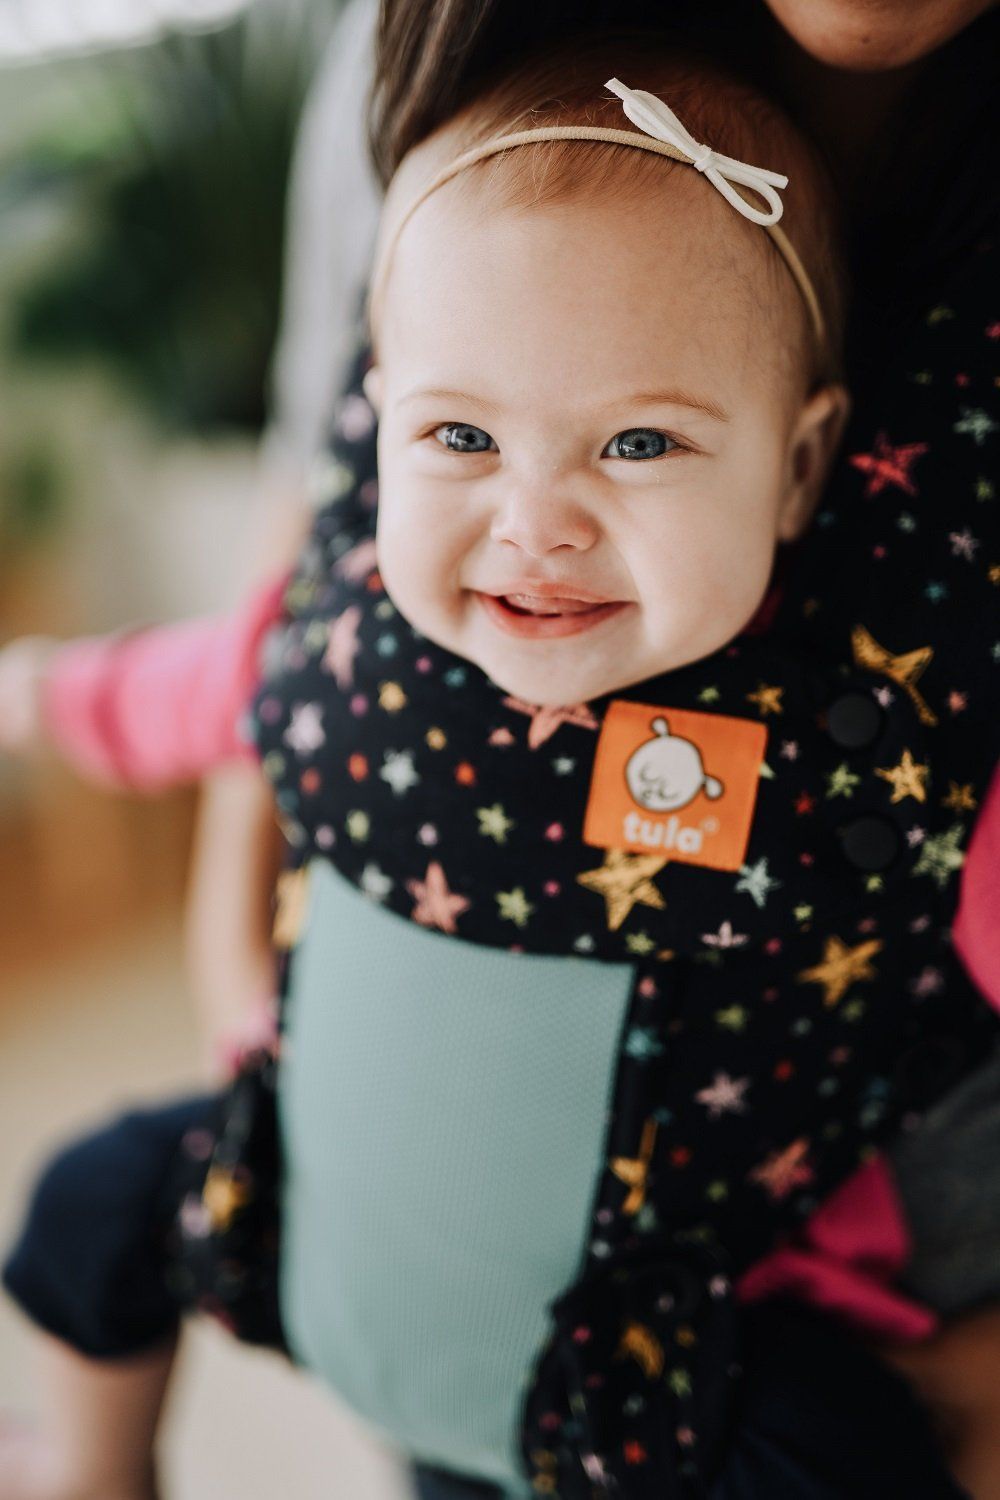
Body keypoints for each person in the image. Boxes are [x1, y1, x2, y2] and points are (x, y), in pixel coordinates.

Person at [0, 27, 997, 1500]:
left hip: (666, 1342)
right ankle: (92, 1469)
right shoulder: (345, 635)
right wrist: (37, 699)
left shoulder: (877, 759)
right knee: (86, 1204)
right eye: (461, 435)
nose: (537, 524)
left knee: (846, 1454)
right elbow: (184, 692)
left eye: (641, 446)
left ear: (798, 465)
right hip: (310, 1173)